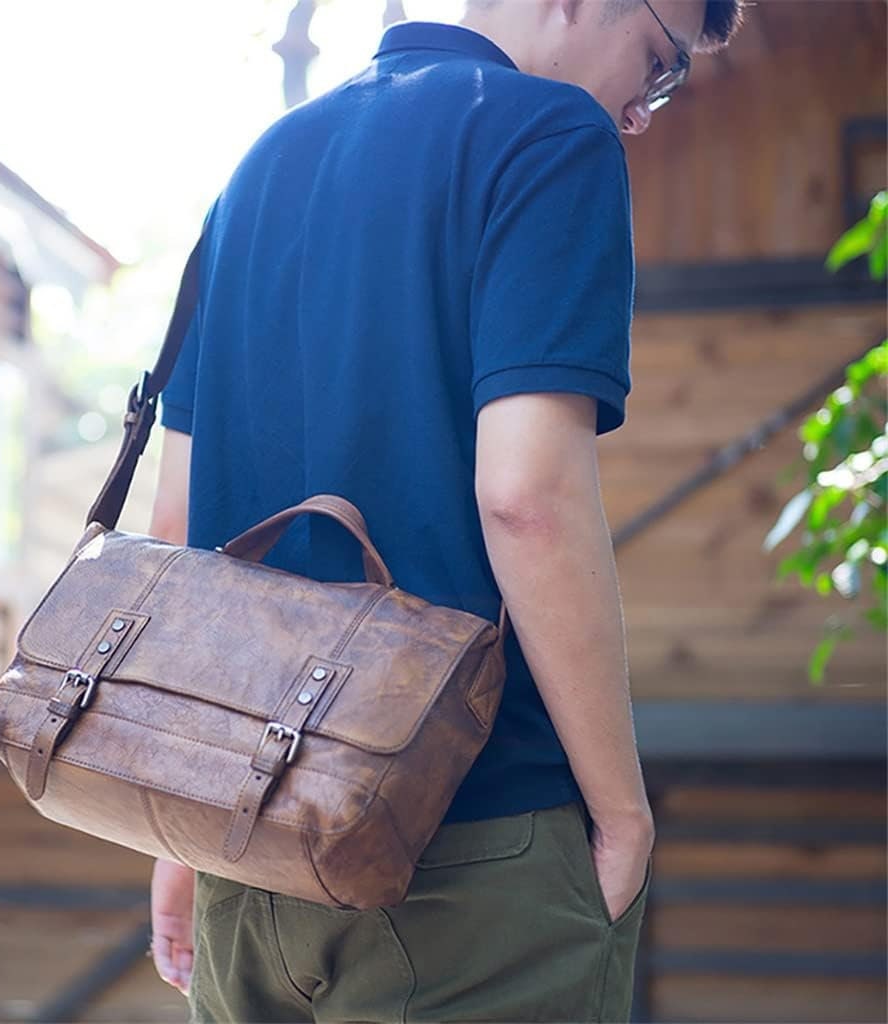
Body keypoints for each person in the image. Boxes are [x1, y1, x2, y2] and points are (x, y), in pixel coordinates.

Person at [147, 1, 745, 1020]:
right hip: (474, 848)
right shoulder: (552, 135)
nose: (642, 114)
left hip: (249, 846)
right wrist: (621, 812)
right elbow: (526, 498)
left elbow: (176, 526)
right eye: (657, 64)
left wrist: (181, 827)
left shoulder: (259, 164)